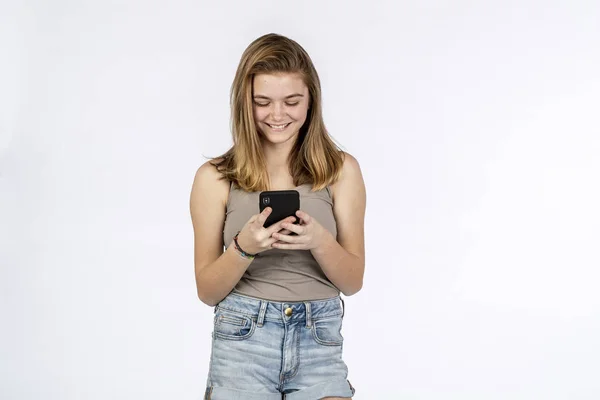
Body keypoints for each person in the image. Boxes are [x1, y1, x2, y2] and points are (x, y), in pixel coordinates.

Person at [189, 33, 366, 400]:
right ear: (244, 103)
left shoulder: (342, 171)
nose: (277, 115)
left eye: (292, 101)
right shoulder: (214, 178)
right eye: (262, 102)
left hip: (319, 337)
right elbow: (207, 291)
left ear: (311, 102)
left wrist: (319, 241)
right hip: (243, 339)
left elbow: (352, 281)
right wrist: (243, 247)